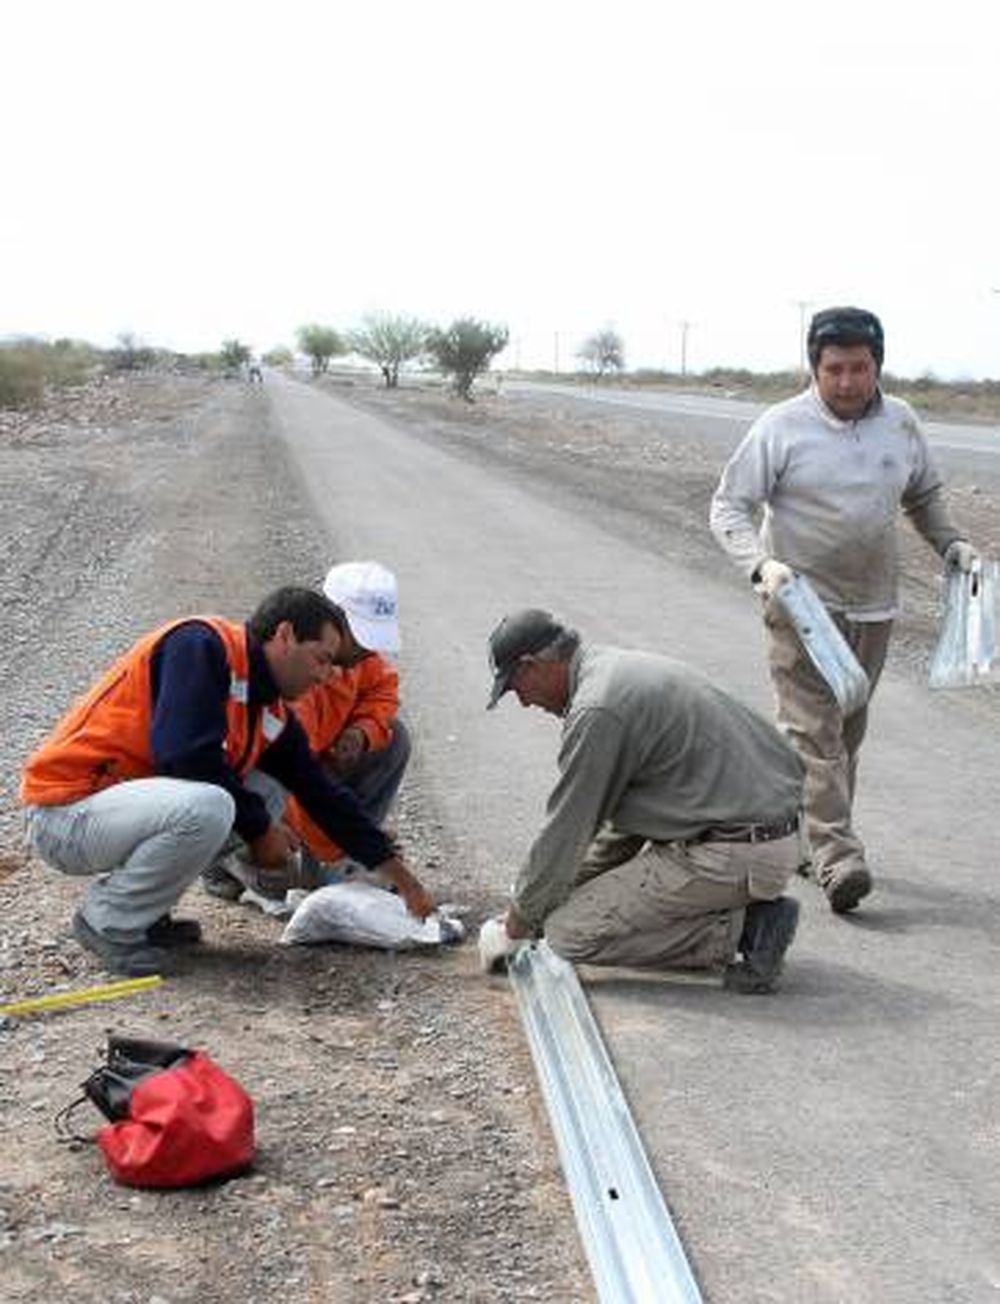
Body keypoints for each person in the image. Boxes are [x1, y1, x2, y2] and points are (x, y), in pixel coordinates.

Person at [710, 306, 978, 914]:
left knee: (846, 733)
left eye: (860, 368)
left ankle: (807, 842)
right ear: (815, 368)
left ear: (877, 365)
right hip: (800, 603)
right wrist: (761, 565)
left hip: (874, 608)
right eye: (835, 369)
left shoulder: (901, 423)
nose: (849, 382)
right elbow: (728, 507)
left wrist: (951, 543)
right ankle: (838, 858)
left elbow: (924, 494)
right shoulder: (781, 427)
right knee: (813, 734)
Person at [20, 587, 433, 977]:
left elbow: (323, 796)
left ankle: (145, 914)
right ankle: (107, 921)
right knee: (212, 805)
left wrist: (402, 879)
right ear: (285, 635)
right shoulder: (200, 646)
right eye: (322, 659)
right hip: (66, 815)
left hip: (117, 815)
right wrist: (260, 831)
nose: (327, 676)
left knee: (269, 787)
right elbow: (184, 754)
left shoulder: (267, 708)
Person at [478, 609, 805, 994]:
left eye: (517, 688)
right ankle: (738, 915)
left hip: (737, 850)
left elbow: (566, 833)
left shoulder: (597, 710)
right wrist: (535, 905)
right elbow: (620, 834)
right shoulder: (611, 670)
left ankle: (744, 931)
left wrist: (516, 927)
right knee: (566, 907)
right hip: (770, 833)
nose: (524, 703)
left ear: (532, 665)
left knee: (568, 933)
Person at [203, 561, 411, 894]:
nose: (368, 649)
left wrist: (361, 732)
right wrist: (333, 858)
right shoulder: (295, 677)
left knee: (394, 738)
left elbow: (382, 692)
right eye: (361, 636)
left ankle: (341, 854)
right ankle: (226, 859)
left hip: (311, 778)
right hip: (269, 798)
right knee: (289, 881)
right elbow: (296, 778)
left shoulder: (358, 657)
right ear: (333, 621)